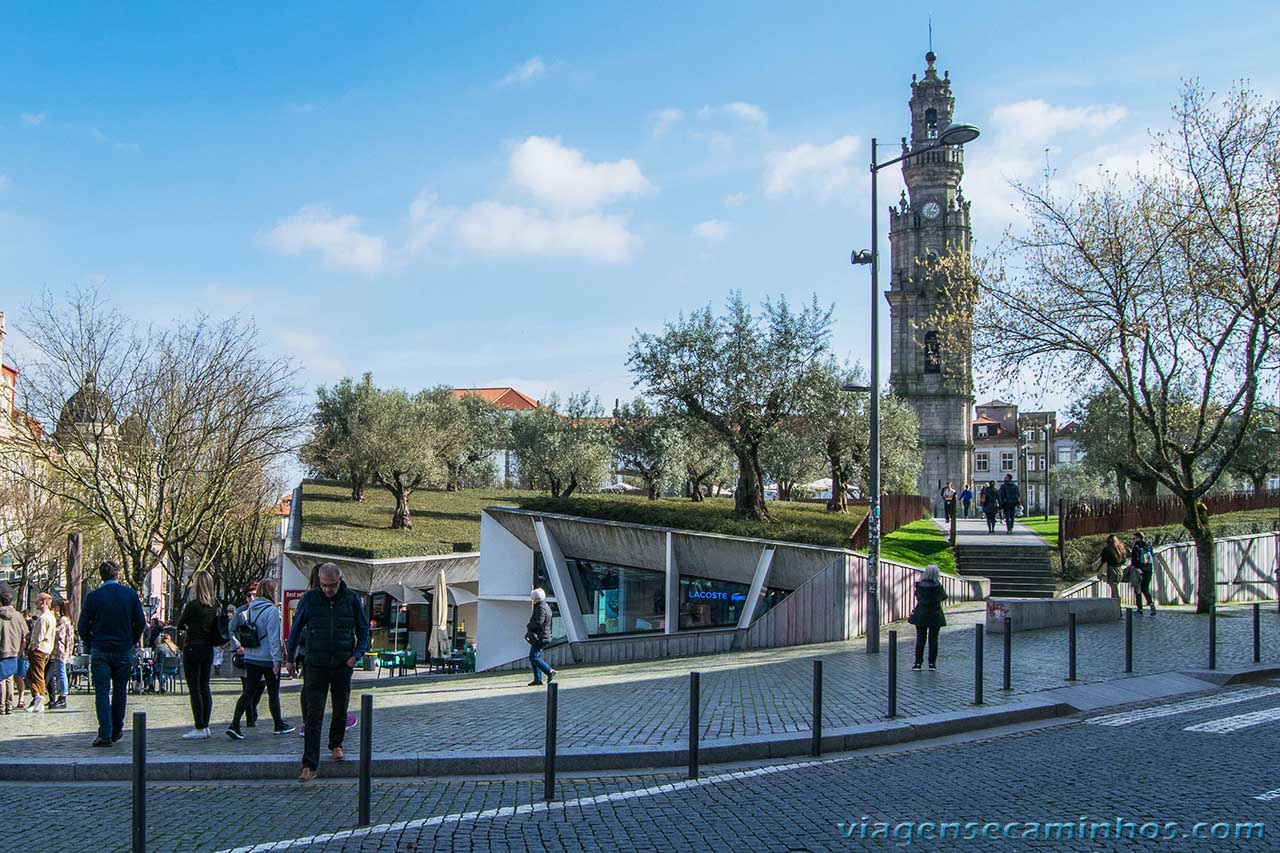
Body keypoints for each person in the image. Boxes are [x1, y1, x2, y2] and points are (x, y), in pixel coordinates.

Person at [286, 563, 369, 782]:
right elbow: (294, 630)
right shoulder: (310, 599)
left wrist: (356, 655)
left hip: (342, 662)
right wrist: (290, 657)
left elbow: (363, 630)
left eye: (331, 586)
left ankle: (336, 744)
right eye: (323, 585)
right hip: (315, 663)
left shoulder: (351, 599)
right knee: (313, 714)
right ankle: (309, 764)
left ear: (340, 580)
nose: (327, 590)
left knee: (340, 708)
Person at [78, 560, 147, 747]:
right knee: (120, 691)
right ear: (118, 575)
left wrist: (91, 643)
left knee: (101, 692)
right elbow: (141, 623)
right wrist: (130, 640)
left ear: (102, 576)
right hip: (123, 649)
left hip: (100, 649)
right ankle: (117, 729)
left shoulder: (93, 597)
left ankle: (105, 732)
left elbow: (82, 626)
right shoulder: (130, 595)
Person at [227, 580, 292, 739]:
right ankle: (278, 723)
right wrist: (277, 661)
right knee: (273, 692)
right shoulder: (271, 611)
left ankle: (235, 723)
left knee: (248, 692)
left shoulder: (250, 610)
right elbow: (274, 638)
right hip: (267, 658)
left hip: (251, 656)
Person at [176, 569, 222, 739]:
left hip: (192, 648)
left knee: (194, 688)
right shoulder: (214, 605)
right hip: (207, 648)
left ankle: (199, 726)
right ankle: (206, 725)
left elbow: (180, 624)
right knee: (205, 686)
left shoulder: (193, 606)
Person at [230, 582, 265, 727]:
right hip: (246, 655)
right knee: (248, 687)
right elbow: (232, 629)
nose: (251, 598)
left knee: (260, 687)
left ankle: (253, 707)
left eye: (254, 595)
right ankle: (250, 718)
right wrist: (238, 646)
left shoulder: (266, 610)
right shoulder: (240, 612)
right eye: (249, 595)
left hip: (262, 654)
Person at [908, 565, 948, 670]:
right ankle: (932, 663)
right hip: (935, 614)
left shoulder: (920, 585)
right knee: (933, 639)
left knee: (920, 639)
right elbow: (944, 596)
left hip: (921, 614)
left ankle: (918, 663)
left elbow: (917, 596)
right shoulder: (937, 586)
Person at [24, 593, 56, 712]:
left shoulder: (43, 618)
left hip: (39, 649)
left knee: (37, 675)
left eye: (37, 601)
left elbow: (39, 636)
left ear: (43, 602)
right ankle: (37, 696)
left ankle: (40, 697)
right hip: (46, 649)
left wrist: (33, 646)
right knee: (31, 675)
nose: (36, 603)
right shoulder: (51, 617)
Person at [0, 585, 29, 716]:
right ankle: (9, 705)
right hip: (14, 652)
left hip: (1, 651)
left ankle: (1, 706)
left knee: (1, 679)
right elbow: (26, 636)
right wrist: (20, 651)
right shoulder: (18, 616)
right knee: (10, 679)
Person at [47, 600, 75, 710]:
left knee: (61, 673)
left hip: (60, 650)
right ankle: (61, 696)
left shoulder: (63, 620)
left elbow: (58, 633)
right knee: (60, 672)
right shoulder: (68, 619)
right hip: (64, 650)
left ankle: (63, 696)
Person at [525, 588, 556, 687]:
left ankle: (549, 671)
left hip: (540, 637)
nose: (532, 600)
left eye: (532, 598)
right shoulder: (544, 606)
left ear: (536, 598)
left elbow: (539, 622)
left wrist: (529, 625)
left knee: (533, 657)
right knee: (535, 657)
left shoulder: (540, 608)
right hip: (543, 636)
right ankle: (537, 679)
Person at [1129, 531, 1156, 615]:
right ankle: (1151, 605)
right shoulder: (1148, 546)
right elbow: (1151, 555)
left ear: (1138, 538)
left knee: (1137, 589)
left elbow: (1134, 560)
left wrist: (1133, 568)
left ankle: (1139, 609)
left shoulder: (1136, 546)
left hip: (1139, 570)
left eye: (1134, 538)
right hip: (1149, 569)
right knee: (1145, 588)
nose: (1133, 540)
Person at [1098, 534, 1127, 601]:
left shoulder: (1107, 549)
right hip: (1119, 570)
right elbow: (1124, 560)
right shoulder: (1120, 548)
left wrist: (1099, 570)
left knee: (1114, 589)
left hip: (1112, 570)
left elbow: (1103, 560)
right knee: (1114, 588)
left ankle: (1117, 605)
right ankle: (1114, 604)